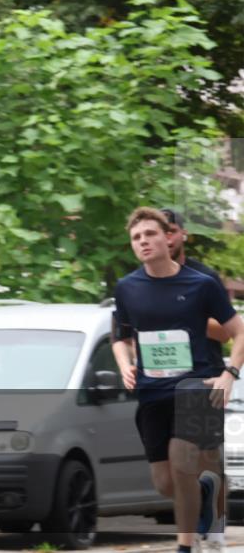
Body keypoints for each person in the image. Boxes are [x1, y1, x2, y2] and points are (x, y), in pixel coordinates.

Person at [111, 207, 243, 553]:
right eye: (136, 238)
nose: (143, 242)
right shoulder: (127, 288)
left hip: (196, 386)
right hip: (153, 392)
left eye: (150, 234)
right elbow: (120, 336)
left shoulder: (200, 284)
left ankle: (187, 545)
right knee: (165, 483)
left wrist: (229, 374)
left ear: (168, 237)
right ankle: (208, 497)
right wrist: (125, 362)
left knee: (183, 459)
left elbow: (238, 332)